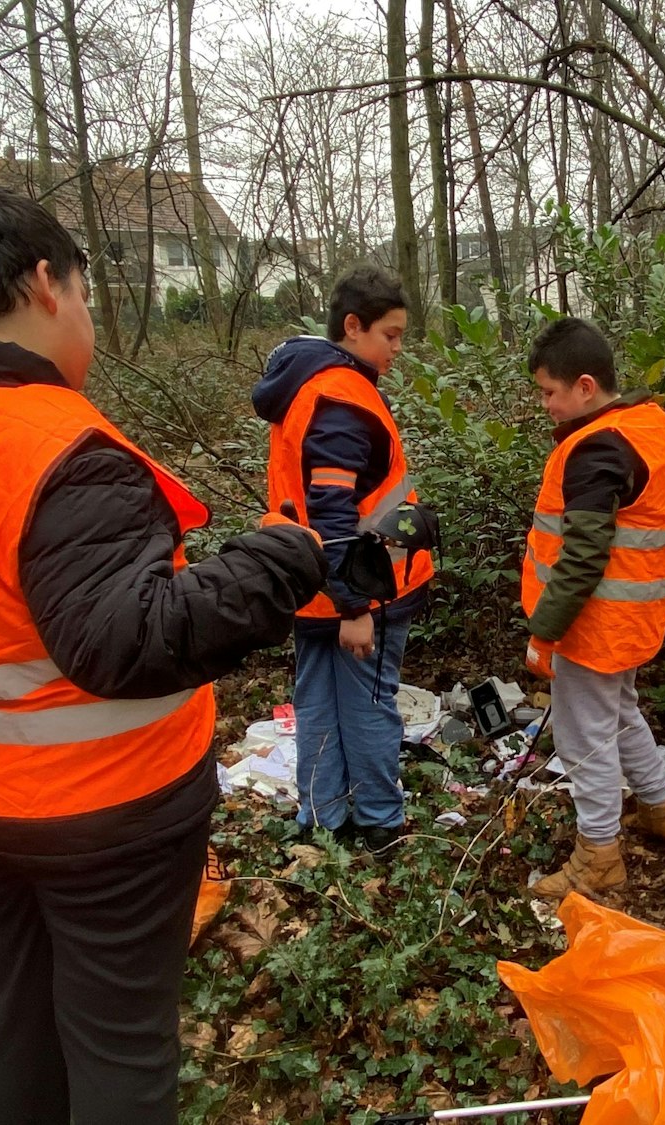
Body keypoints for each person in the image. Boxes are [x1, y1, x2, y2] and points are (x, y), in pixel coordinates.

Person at [0, 182, 327, 1124]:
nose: (82, 311)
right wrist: (277, 559)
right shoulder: (57, 447)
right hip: (104, 809)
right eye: (83, 290)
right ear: (46, 283)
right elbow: (127, 641)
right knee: (118, 1039)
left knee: (11, 1016)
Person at [254, 265, 436, 849]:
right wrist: (356, 605)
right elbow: (333, 512)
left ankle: (322, 819)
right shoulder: (343, 401)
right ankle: (381, 824)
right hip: (364, 588)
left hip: (309, 583)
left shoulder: (306, 386)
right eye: (390, 334)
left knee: (317, 702)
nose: (398, 348)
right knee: (367, 706)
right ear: (353, 327)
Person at [518, 317, 665, 897]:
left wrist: (543, 634)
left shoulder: (597, 449)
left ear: (586, 387)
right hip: (632, 621)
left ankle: (598, 854)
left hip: (591, 625)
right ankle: (658, 809)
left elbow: (582, 558)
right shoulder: (651, 425)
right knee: (621, 715)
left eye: (550, 392)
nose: (545, 404)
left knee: (583, 737)